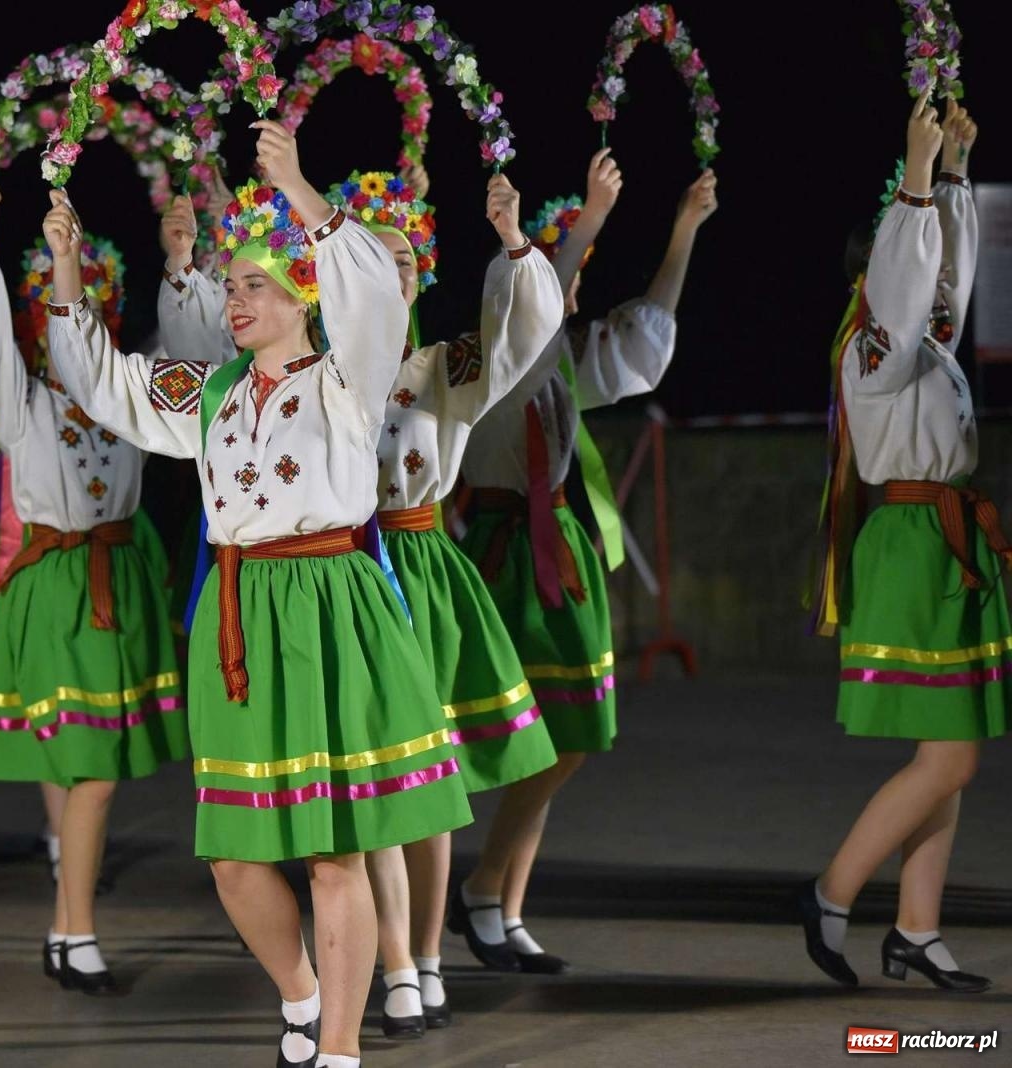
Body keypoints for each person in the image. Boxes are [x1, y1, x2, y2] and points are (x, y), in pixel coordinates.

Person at [44, 120, 473, 1068]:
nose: (232, 300)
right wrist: (67, 272)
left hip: (329, 607)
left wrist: (304, 193)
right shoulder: (210, 391)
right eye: (230, 284)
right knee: (234, 857)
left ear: (301, 297)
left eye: (252, 286)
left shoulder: (346, 379)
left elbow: (374, 304)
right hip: (238, 617)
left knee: (333, 853)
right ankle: (305, 996)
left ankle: (345, 1050)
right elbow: (103, 384)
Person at [454, 149, 717, 973]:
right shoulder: (492, 360)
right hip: (507, 556)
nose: (572, 291)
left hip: (553, 549)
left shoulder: (559, 361)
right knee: (544, 736)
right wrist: (592, 217)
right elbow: (528, 321)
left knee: (567, 734)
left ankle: (500, 904)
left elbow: (646, 344)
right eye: (557, 279)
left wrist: (682, 231)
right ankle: (472, 897)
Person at [319, 165, 562, 1036]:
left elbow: (521, 337)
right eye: (372, 263)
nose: (392, 277)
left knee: (430, 778)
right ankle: (389, 968)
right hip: (348, 573)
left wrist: (512, 242)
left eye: (404, 263)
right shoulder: (318, 374)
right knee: (378, 782)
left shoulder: (441, 368)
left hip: (421, 566)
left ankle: (423, 958)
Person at [0, 165, 187, 994]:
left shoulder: (124, 392)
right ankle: (73, 928)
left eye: (93, 300)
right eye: (61, 300)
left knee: (88, 762)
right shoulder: (26, 404)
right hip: (58, 588)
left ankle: (69, 919)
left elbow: (191, 360)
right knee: (90, 766)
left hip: (117, 580)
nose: (79, 313)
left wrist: (185, 259)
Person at [796, 95, 992, 994]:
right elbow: (912, 285)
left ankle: (916, 928)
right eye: (921, 274)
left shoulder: (923, 350)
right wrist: (916, 177)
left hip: (944, 542)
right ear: (876, 279)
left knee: (947, 749)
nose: (940, 286)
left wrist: (951, 173)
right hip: (912, 545)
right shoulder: (873, 350)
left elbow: (945, 277)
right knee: (950, 754)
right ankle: (832, 894)